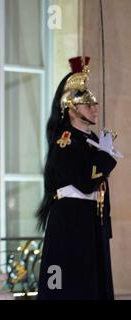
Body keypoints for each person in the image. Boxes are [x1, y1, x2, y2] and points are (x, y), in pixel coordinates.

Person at [36, 56, 122, 300]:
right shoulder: (65, 142)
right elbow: (86, 182)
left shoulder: (89, 141)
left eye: (94, 103)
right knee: (74, 288)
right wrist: (105, 156)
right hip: (71, 223)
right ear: (70, 108)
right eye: (87, 104)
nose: (95, 108)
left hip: (90, 222)